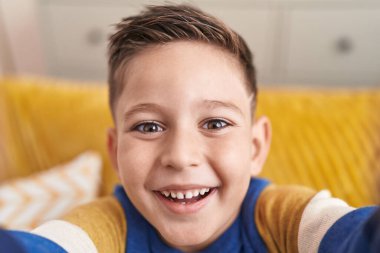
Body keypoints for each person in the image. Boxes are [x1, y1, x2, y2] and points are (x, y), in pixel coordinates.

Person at [2, 4, 379, 253]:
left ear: (255, 146)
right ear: (115, 150)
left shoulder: (283, 218)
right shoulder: (105, 227)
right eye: (148, 126)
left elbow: (354, 235)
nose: (181, 156)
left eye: (215, 123)